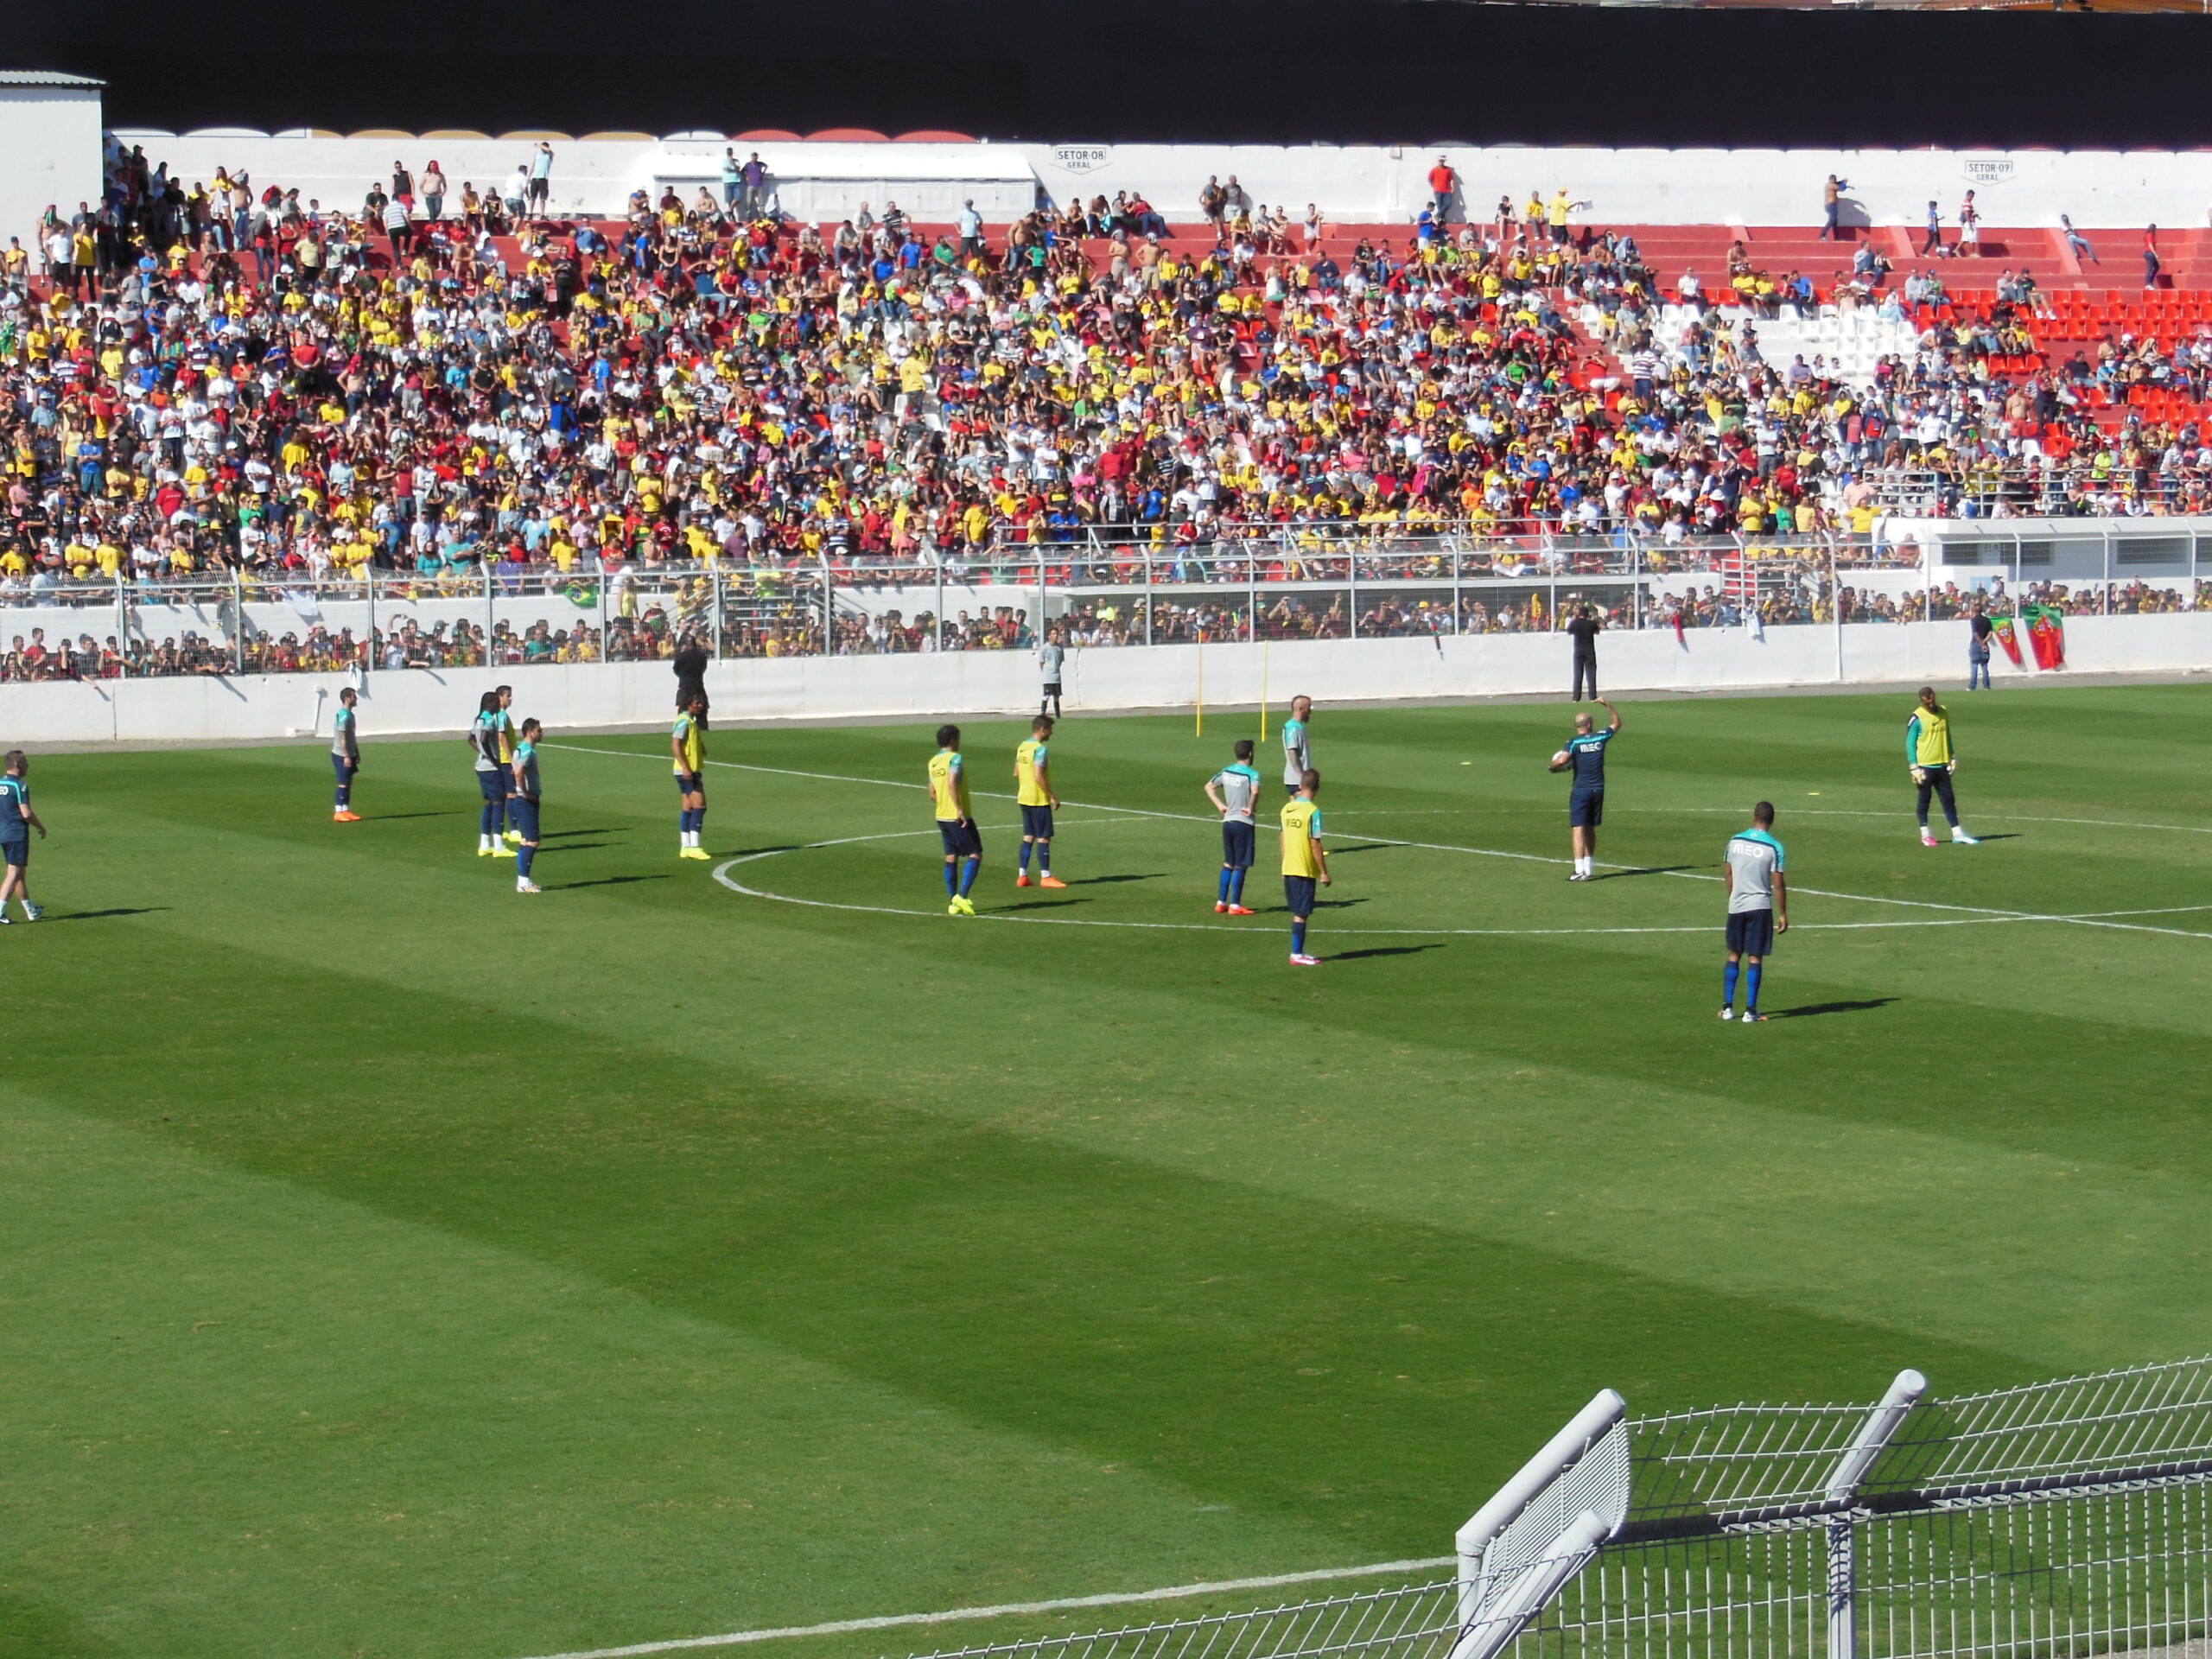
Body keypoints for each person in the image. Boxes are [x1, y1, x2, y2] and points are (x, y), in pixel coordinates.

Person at [1720, 802, 1788, 1024]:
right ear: (1772, 820)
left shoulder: (1735, 841)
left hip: (1736, 905)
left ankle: (1728, 1008)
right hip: (1760, 906)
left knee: (1733, 954)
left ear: (1753, 817)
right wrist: (1783, 913)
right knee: (1755, 957)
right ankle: (1750, 1011)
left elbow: (1728, 873)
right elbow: (1778, 884)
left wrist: (1734, 895)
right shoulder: (1774, 847)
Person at [1554, 696, 1622, 880]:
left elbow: (1562, 761)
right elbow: (1617, 723)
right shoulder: (1600, 737)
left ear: (1578, 726)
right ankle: (1589, 867)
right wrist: (1608, 704)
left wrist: (1553, 767)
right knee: (1590, 827)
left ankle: (1578, 870)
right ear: (1589, 725)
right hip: (1598, 789)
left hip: (1581, 790)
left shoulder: (1574, 742)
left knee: (1578, 828)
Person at [1907, 685, 1980, 847]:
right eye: (1927, 703)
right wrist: (1914, 766)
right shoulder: (1916, 718)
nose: (1931, 705)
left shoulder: (1943, 713)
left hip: (1941, 765)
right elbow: (1910, 744)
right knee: (1924, 800)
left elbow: (1947, 736)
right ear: (1921, 702)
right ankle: (1925, 834)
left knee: (1948, 799)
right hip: (1925, 767)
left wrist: (1951, 756)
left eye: (1932, 701)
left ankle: (1957, 833)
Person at [1205, 738, 1262, 915]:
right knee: (1241, 864)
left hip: (1228, 822)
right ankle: (1235, 905)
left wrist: (1220, 805)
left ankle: (1221, 902)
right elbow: (1255, 791)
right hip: (1243, 822)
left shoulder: (1227, 771)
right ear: (1251, 754)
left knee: (1228, 862)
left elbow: (1209, 787)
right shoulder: (1252, 774)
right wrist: (1251, 807)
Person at [930, 724, 982, 915]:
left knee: (951, 856)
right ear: (952, 740)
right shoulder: (955, 759)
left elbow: (932, 792)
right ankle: (961, 895)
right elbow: (952, 782)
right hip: (957, 816)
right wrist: (959, 809)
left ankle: (952, 903)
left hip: (941, 815)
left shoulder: (933, 762)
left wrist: (944, 803)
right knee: (975, 854)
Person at [1281, 768, 1330, 968]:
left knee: (1299, 912)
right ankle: (1296, 953)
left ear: (1301, 785)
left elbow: (1282, 837)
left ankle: (1298, 952)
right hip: (1304, 868)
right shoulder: (1313, 812)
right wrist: (1324, 872)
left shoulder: (1286, 809)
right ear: (1317, 789)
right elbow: (1315, 843)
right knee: (1301, 913)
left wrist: (1285, 861)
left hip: (1289, 866)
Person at [1014, 715, 1065, 889]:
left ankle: (1022, 875)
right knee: (1044, 837)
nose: (1052, 733)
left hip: (1024, 797)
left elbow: (1016, 773)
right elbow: (1038, 775)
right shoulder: (1040, 750)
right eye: (1050, 729)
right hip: (1038, 799)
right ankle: (1046, 876)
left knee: (1029, 836)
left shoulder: (1022, 747)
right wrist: (1051, 796)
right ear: (1042, 730)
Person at [0, 749, 47, 923]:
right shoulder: (20, 785)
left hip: (2, 832)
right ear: (18, 765)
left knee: (18, 871)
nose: (28, 766)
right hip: (16, 833)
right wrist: (40, 827)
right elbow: (26, 813)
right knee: (14, 872)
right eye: (26, 763)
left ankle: (31, 909)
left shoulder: (0, 784)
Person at [470, 690, 514, 857]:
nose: (499, 704)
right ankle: (499, 846)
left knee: (488, 803)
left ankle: (484, 844)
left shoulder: (479, 718)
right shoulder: (489, 718)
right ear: (491, 703)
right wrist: (492, 758)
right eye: (497, 702)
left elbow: (471, 739)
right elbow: (482, 739)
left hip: (481, 767)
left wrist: (482, 753)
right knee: (498, 803)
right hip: (490, 768)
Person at [672, 690, 710, 860]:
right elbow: (675, 745)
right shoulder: (684, 722)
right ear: (688, 704)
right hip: (687, 771)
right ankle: (695, 846)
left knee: (688, 808)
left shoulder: (690, 722)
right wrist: (686, 768)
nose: (700, 706)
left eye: (701, 703)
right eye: (697, 703)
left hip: (688, 770)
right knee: (700, 807)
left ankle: (685, 847)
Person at [511, 718, 544, 893]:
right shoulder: (527, 752)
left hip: (522, 799)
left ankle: (523, 880)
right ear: (530, 731)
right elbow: (518, 772)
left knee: (526, 840)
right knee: (532, 841)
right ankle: (523, 882)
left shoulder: (520, 749)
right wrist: (525, 791)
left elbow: (513, 769)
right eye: (539, 730)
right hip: (526, 800)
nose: (542, 733)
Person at [331, 684, 362, 822]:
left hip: (350, 753)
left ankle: (346, 809)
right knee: (343, 783)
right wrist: (346, 756)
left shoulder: (351, 715)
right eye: (354, 696)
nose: (356, 699)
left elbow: (351, 736)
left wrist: (356, 752)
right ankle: (338, 812)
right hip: (341, 755)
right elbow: (342, 737)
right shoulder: (343, 715)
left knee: (349, 782)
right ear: (348, 698)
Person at [1566, 604, 1602, 702]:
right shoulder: (1591, 623)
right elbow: (1597, 631)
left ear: (1579, 613)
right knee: (1591, 674)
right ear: (1587, 614)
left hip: (1578, 650)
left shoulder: (1575, 623)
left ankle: (1576, 698)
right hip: (1589, 650)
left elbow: (1569, 631)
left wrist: (1574, 619)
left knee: (1578, 674)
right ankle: (1592, 696)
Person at [1281, 694, 1313, 798]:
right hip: (1296, 780)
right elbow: (1292, 751)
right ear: (1301, 709)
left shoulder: (1299, 726)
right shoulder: (1293, 728)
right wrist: (1301, 776)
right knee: (1301, 810)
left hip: (1299, 778)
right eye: (1308, 707)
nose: (1310, 711)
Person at [1038, 626, 1066, 719]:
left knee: (1056, 697)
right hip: (1048, 677)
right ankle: (1042, 714)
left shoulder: (1059, 648)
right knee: (1046, 696)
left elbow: (1061, 660)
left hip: (1057, 676)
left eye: (1056, 634)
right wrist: (1046, 672)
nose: (1055, 636)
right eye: (1053, 634)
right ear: (1049, 636)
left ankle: (1058, 715)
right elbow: (1041, 662)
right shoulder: (1045, 648)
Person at [1968, 601, 1994, 691]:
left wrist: (1980, 643)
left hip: (1976, 644)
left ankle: (1972, 686)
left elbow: (1975, 634)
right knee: (1985, 666)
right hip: (1985, 643)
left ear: (1975, 611)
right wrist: (1984, 642)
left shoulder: (1974, 620)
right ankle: (1986, 686)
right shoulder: (1987, 620)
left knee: (1974, 665)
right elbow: (1991, 633)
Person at [1427, 156, 1457, 224]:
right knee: (1440, 206)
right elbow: (1430, 179)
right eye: (1440, 160)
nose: (1441, 162)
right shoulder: (1434, 170)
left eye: (1442, 161)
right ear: (1438, 161)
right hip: (1438, 191)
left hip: (1447, 190)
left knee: (1448, 203)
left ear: (1444, 161)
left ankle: (1437, 215)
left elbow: (1451, 179)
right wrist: (1434, 186)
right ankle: (1443, 220)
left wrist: (1453, 187)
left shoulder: (1448, 170)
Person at [1820, 175, 1842, 241]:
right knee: (1832, 219)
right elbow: (1841, 188)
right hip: (1831, 205)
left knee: (1834, 221)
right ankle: (1822, 235)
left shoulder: (1829, 185)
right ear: (1832, 179)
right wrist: (1844, 182)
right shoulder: (1831, 185)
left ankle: (1837, 237)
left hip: (1832, 205)